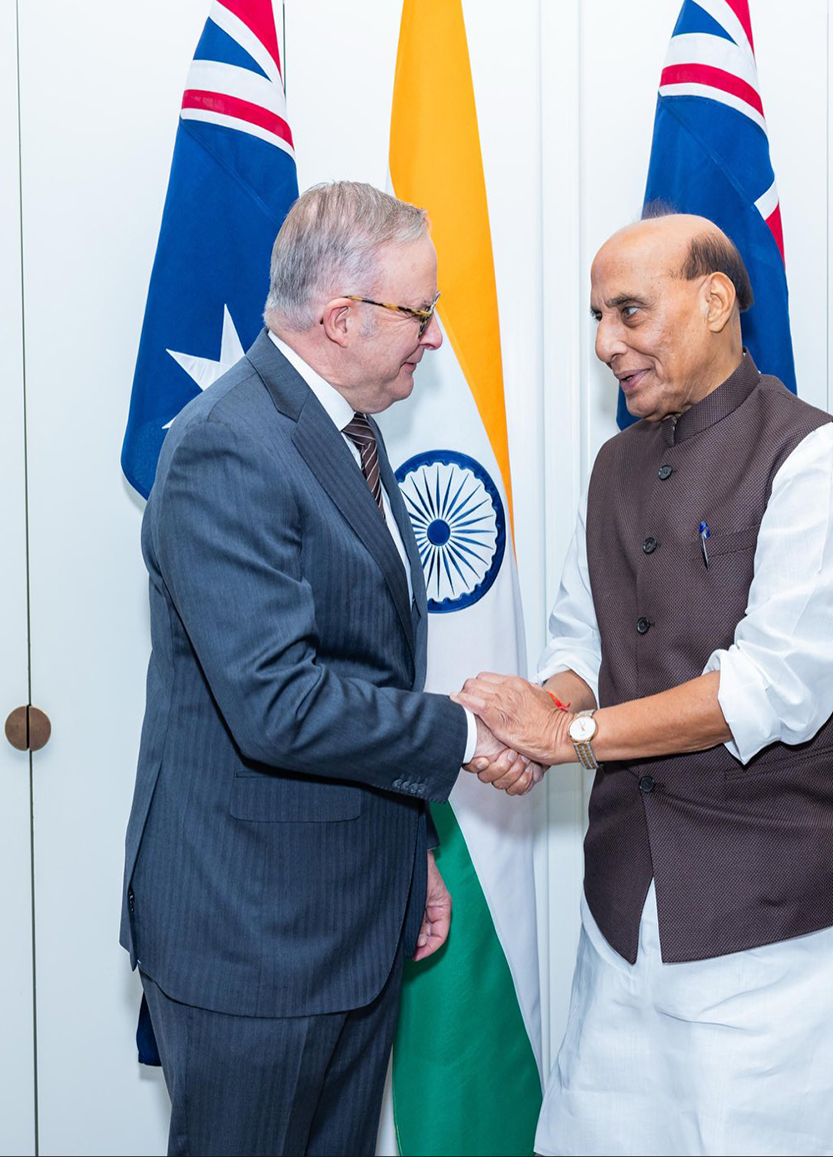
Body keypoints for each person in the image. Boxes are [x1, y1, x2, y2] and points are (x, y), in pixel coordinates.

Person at [458, 214, 833, 1155]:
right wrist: (537, 715)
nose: (604, 343)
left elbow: (775, 689)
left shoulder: (818, 459)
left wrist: (569, 742)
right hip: (624, 918)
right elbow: (578, 644)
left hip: (780, 930)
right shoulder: (613, 465)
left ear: (715, 302)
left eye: (629, 310)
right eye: (596, 316)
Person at [120, 181, 535, 1157]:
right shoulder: (229, 447)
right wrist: (469, 737)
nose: (433, 339)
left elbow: (364, 660)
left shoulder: (344, 430)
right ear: (341, 317)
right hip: (252, 939)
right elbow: (279, 704)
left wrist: (408, 855)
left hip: (346, 921)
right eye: (422, 313)